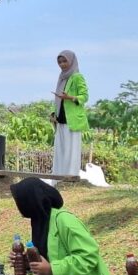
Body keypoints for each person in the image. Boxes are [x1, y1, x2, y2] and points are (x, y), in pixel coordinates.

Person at [50, 50, 89, 181]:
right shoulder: (61, 77)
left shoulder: (77, 76)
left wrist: (70, 97)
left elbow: (85, 96)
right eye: (60, 62)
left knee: (71, 151)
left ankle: (71, 178)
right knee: (60, 151)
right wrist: (53, 113)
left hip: (72, 120)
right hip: (60, 119)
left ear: (71, 61)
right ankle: (58, 179)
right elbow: (57, 98)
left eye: (65, 61)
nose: (62, 64)